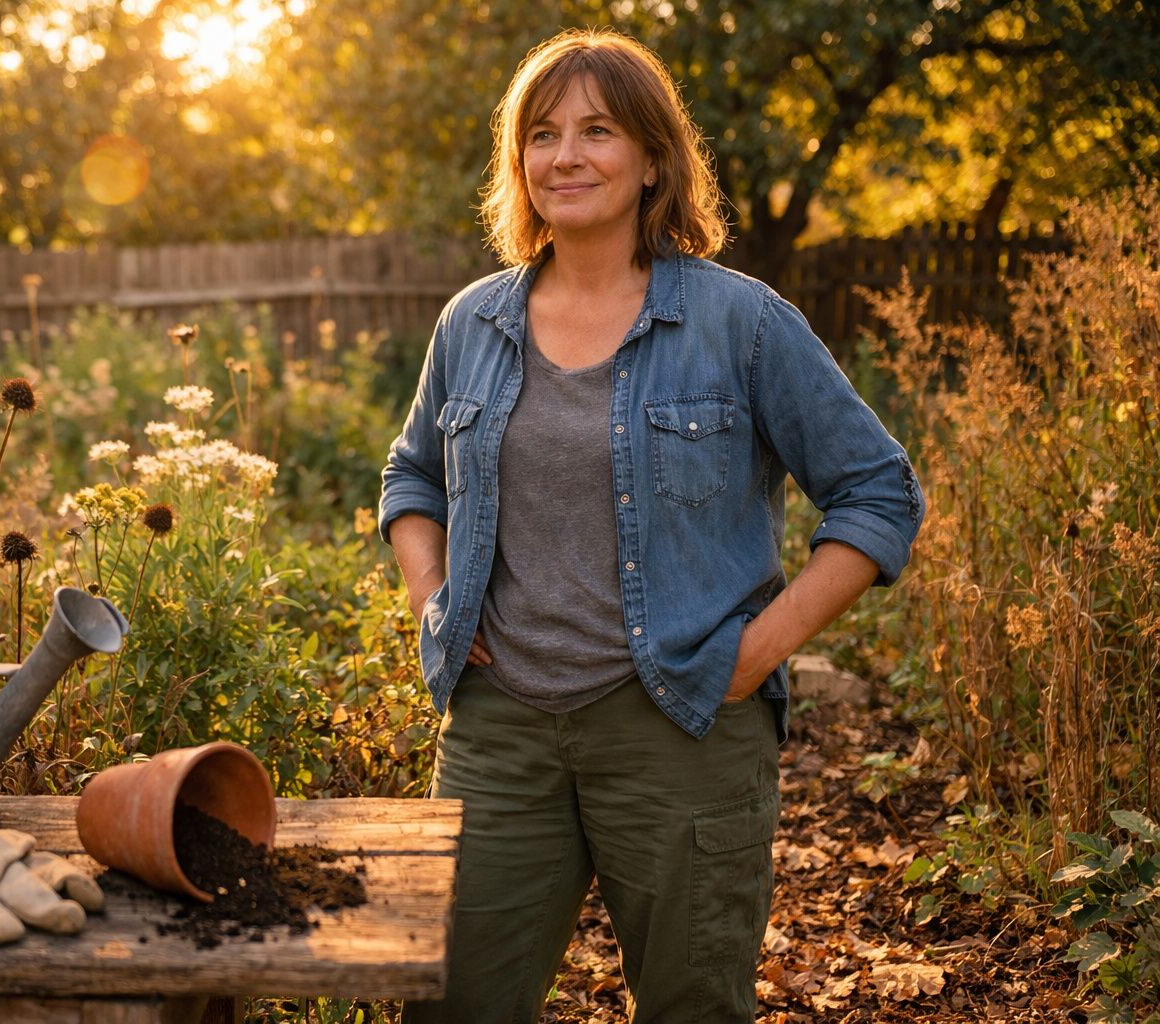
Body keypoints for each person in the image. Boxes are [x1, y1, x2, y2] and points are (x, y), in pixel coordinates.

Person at [377, 27, 924, 1024]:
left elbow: (878, 493)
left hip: (681, 724)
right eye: (542, 134)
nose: (567, 155)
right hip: (501, 731)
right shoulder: (472, 323)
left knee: (691, 1004)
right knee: (453, 1003)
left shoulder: (740, 323)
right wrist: (436, 601)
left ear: (652, 159)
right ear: (519, 160)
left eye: (598, 130)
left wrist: (754, 655)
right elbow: (413, 479)